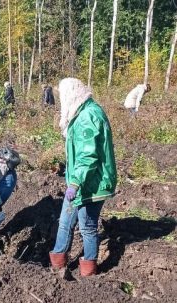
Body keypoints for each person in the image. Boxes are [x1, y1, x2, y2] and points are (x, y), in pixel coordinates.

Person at [49, 78, 117, 277]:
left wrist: (75, 183)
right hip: (79, 183)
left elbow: (88, 156)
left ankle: (88, 272)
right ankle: (58, 263)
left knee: (87, 227)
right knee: (65, 221)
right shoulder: (83, 112)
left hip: (91, 184)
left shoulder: (88, 116)